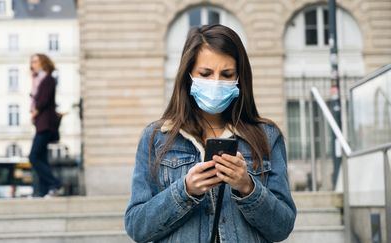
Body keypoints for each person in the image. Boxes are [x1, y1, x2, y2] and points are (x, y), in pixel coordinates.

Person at [124, 24, 296, 242]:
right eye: (205, 73)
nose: (216, 82)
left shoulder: (267, 136)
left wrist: (247, 187)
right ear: (188, 76)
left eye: (227, 74)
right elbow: (137, 226)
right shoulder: (156, 137)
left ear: (239, 78)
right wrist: (185, 190)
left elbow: (282, 227)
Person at [29, 53, 63, 197]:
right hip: (41, 124)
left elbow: (43, 100)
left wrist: (34, 112)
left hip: (45, 125)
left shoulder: (48, 79)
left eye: (36, 61)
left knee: (34, 157)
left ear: (43, 63)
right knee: (41, 158)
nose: (33, 65)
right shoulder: (38, 80)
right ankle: (44, 191)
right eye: (32, 62)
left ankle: (55, 184)